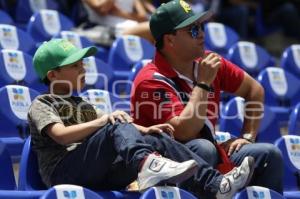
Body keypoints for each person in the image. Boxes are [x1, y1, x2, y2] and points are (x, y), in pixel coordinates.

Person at [28, 38, 254, 199]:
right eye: (75, 65)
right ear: (53, 75)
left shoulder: (83, 105)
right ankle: (147, 165)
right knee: (113, 124)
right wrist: (105, 120)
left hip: (96, 173)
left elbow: (116, 127)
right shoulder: (43, 103)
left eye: (82, 64)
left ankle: (216, 184)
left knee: (156, 138)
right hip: (64, 173)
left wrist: (147, 130)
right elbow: (60, 136)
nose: (83, 69)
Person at [131, 0, 283, 196]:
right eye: (193, 30)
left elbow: (255, 90)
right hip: (164, 167)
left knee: (269, 155)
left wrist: (248, 137)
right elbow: (185, 132)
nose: (202, 34)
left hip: (208, 151)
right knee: (202, 149)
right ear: (170, 40)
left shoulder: (209, 62)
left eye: (201, 27)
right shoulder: (149, 80)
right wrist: (203, 84)